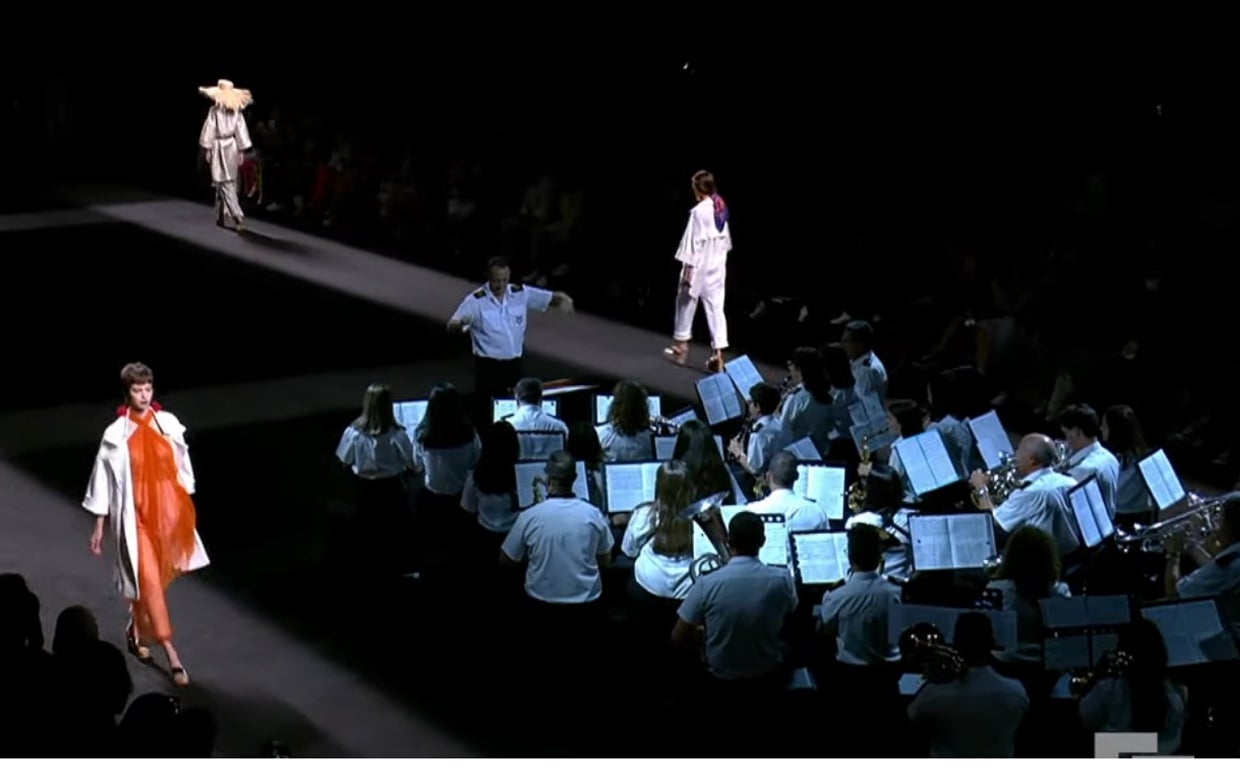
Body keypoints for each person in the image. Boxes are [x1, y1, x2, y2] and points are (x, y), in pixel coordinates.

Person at [83, 363, 209, 687]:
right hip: (134, 520)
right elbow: (103, 480)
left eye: (148, 388)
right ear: (127, 393)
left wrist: (183, 498)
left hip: (165, 516)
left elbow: (181, 465)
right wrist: (99, 525)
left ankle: (134, 630)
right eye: (137, 390)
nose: (143, 394)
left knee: (152, 580)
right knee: (149, 581)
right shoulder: (116, 434)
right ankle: (172, 654)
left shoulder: (166, 424)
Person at [447, 255, 574, 399]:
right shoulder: (475, 301)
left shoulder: (520, 293)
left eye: (504, 280)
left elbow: (552, 297)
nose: (500, 285)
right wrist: (458, 326)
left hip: (515, 366)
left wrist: (564, 300)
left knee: (518, 405)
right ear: (488, 277)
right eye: (496, 281)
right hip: (489, 369)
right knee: (488, 408)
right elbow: (453, 324)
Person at [664, 170, 733, 373]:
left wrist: (689, 268)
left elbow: (692, 243)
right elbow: (725, 240)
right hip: (717, 265)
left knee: (685, 301)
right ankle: (717, 355)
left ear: (697, 189)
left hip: (701, 264)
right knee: (715, 308)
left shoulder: (699, 211)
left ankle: (681, 346)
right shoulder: (720, 206)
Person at [198, 79, 254, 232]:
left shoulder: (231, 112)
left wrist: (241, 151)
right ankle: (225, 215)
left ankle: (236, 216)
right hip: (224, 146)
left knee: (227, 182)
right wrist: (208, 149)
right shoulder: (215, 111)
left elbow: (239, 130)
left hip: (228, 147)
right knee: (223, 182)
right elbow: (211, 129)